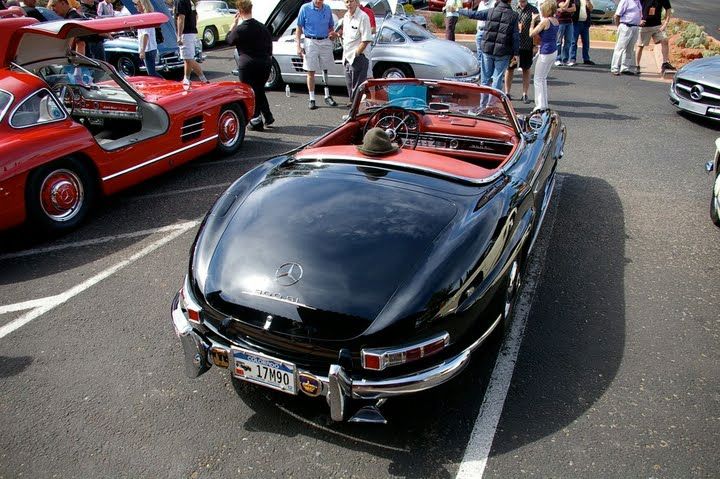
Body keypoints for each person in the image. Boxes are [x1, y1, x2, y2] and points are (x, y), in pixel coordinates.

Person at [227, 0, 274, 131]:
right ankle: (268, 116)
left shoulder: (240, 29)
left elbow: (229, 40)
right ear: (251, 9)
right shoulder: (262, 27)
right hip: (264, 63)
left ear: (240, 12)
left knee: (250, 92)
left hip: (247, 64)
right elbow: (270, 47)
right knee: (259, 89)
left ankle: (256, 120)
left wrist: (233, 25)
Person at [458, 0, 519, 92]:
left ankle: (483, 104)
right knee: (497, 79)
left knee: (485, 79)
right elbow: (515, 36)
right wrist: (516, 53)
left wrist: (459, 10)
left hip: (488, 49)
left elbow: (474, 14)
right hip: (503, 51)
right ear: (510, 1)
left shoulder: (491, 11)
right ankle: (492, 103)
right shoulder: (514, 15)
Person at [296, 0, 337, 110]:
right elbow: (299, 28)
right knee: (311, 71)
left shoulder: (327, 8)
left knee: (325, 69)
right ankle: (312, 98)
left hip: (325, 40)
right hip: (310, 41)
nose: (319, 1)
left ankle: (327, 95)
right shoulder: (305, 8)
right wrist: (298, 46)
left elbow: (331, 27)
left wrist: (332, 34)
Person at [337, 0, 372, 102]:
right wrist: (338, 34)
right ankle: (353, 114)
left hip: (358, 58)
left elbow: (365, 40)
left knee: (358, 91)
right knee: (351, 91)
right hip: (346, 58)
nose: (349, 4)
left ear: (357, 2)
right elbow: (346, 38)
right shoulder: (346, 16)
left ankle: (357, 115)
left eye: (351, 1)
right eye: (347, 2)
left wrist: (356, 54)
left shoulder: (363, 17)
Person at [504, 0, 537, 103]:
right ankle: (507, 93)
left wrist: (535, 45)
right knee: (510, 68)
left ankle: (525, 94)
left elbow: (537, 29)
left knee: (526, 69)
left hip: (527, 44)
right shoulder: (511, 8)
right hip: (513, 46)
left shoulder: (533, 10)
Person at [529, 0, 559, 111]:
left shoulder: (545, 21)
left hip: (545, 52)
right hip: (553, 50)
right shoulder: (556, 21)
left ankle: (540, 105)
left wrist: (532, 22)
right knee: (543, 78)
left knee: (537, 79)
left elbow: (531, 33)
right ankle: (544, 103)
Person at [175, 0, 208, 88]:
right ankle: (199, 79)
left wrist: (179, 35)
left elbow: (181, 18)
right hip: (191, 31)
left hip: (186, 32)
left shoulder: (180, 1)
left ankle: (189, 79)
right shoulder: (189, 1)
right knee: (188, 58)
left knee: (188, 58)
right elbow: (196, 16)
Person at [636, 0, 675, 74]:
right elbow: (635, 6)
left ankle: (665, 63)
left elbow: (668, 9)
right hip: (644, 26)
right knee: (640, 46)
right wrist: (638, 20)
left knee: (664, 40)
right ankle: (637, 66)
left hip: (657, 26)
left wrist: (665, 24)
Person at [610, 0, 642, 75]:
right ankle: (614, 68)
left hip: (635, 27)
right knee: (620, 48)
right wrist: (619, 27)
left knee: (630, 49)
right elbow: (617, 15)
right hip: (626, 26)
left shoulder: (638, 1)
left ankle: (625, 68)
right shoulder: (625, 1)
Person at [136, 0, 161, 77]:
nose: (135, 6)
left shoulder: (145, 18)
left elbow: (145, 34)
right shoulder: (149, 16)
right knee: (152, 72)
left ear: (142, 5)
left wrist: (142, 50)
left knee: (151, 74)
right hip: (152, 47)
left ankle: (168, 84)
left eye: (137, 4)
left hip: (148, 49)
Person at [473, 0, 494, 78]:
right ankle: (482, 73)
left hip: (488, 31)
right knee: (479, 52)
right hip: (479, 31)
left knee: (488, 54)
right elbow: (478, 16)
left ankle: (489, 74)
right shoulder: (481, 3)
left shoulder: (493, 3)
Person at [569, 0, 594, 65]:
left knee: (586, 42)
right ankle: (572, 59)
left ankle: (586, 59)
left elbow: (591, 9)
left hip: (585, 23)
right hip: (576, 23)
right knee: (574, 41)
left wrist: (587, 1)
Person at [554, 0, 577, 66]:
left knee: (568, 41)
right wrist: (568, 1)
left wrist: (564, 9)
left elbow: (574, 9)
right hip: (560, 21)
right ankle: (558, 59)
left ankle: (565, 59)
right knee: (558, 41)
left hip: (569, 21)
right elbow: (563, 6)